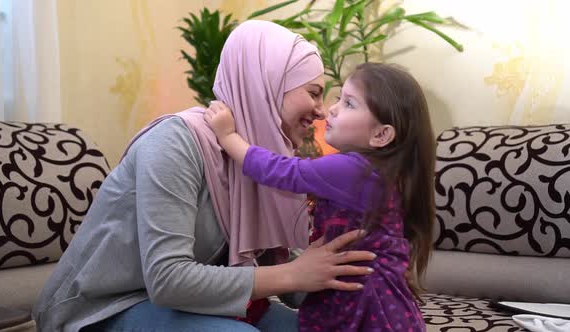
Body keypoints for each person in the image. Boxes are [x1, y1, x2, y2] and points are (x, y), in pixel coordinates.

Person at [31, 20, 377, 332]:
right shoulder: (175, 142)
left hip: (199, 306)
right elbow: (167, 280)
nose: (320, 111)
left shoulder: (265, 157)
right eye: (314, 93)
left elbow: (282, 268)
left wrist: (352, 275)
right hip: (105, 307)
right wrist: (293, 274)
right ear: (266, 84)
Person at [204, 62, 436, 331]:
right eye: (339, 98)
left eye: (349, 104)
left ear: (381, 134)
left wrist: (228, 135)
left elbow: (280, 171)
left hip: (363, 303)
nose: (331, 109)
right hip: (379, 300)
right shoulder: (380, 174)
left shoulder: (352, 170)